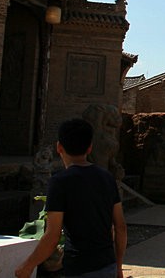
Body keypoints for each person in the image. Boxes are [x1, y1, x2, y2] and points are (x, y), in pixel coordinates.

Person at [15, 118, 127, 278]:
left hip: (79, 266)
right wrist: (119, 266)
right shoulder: (107, 177)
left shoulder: (60, 182)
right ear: (90, 148)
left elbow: (52, 235)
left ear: (59, 147)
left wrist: (27, 266)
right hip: (106, 264)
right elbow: (120, 226)